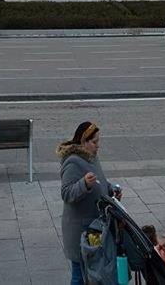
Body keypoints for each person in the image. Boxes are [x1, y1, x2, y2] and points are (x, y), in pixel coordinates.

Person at [59, 120, 117, 285]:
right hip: (79, 230)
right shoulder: (72, 162)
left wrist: (111, 189)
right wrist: (84, 184)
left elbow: (100, 182)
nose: (98, 146)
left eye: (98, 141)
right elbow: (66, 193)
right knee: (79, 276)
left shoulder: (92, 157)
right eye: (94, 142)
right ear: (84, 142)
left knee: (91, 273)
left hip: (93, 227)